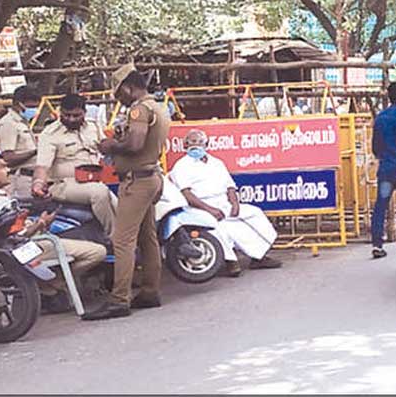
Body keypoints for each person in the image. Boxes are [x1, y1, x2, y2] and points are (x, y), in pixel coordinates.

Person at [82, 63, 170, 321]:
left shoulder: (139, 110)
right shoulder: (158, 107)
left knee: (122, 241)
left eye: (119, 93)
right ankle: (150, 291)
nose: (117, 99)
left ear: (130, 88)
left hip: (137, 182)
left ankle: (118, 299)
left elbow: (134, 144)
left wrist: (111, 145)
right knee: (147, 238)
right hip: (151, 176)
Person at [0, 152, 106, 314]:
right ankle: (47, 287)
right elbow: (8, 238)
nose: (8, 170)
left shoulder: (5, 196)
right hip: (22, 247)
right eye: (3, 167)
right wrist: (39, 224)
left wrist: (40, 224)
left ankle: (50, 286)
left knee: (98, 252)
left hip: (34, 242)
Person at [169, 129, 281, 277]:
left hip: (223, 203)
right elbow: (187, 194)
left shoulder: (217, 163)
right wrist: (210, 210)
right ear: (185, 146)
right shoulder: (182, 166)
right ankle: (231, 262)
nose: (195, 146)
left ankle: (258, 257)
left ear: (206, 144)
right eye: (191, 142)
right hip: (199, 208)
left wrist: (234, 203)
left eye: (199, 142)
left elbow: (230, 186)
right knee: (217, 227)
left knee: (254, 213)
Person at [31, 93, 117, 236]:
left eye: (76, 115)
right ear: (60, 112)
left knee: (119, 205)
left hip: (92, 181)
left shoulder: (93, 127)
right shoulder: (50, 133)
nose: (71, 119)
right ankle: (115, 239)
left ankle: (127, 240)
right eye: (66, 115)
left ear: (84, 113)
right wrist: (38, 183)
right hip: (63, 185)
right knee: (99, 193)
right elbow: (42, 166)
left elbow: (105, 147)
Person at [370, 81, 396, 259]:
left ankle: (377, 244)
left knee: (381, 206)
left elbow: (375, 147)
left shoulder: (381, 117)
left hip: (386, 169)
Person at [0, 85, 40, 198]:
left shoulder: (23, 122)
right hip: (21, 179)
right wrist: (35, 152)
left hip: (33, 177)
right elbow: (8, 158)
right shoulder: (8, 124)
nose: (33, 110)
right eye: (30, 106)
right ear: (17, 104)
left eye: (36, 107)